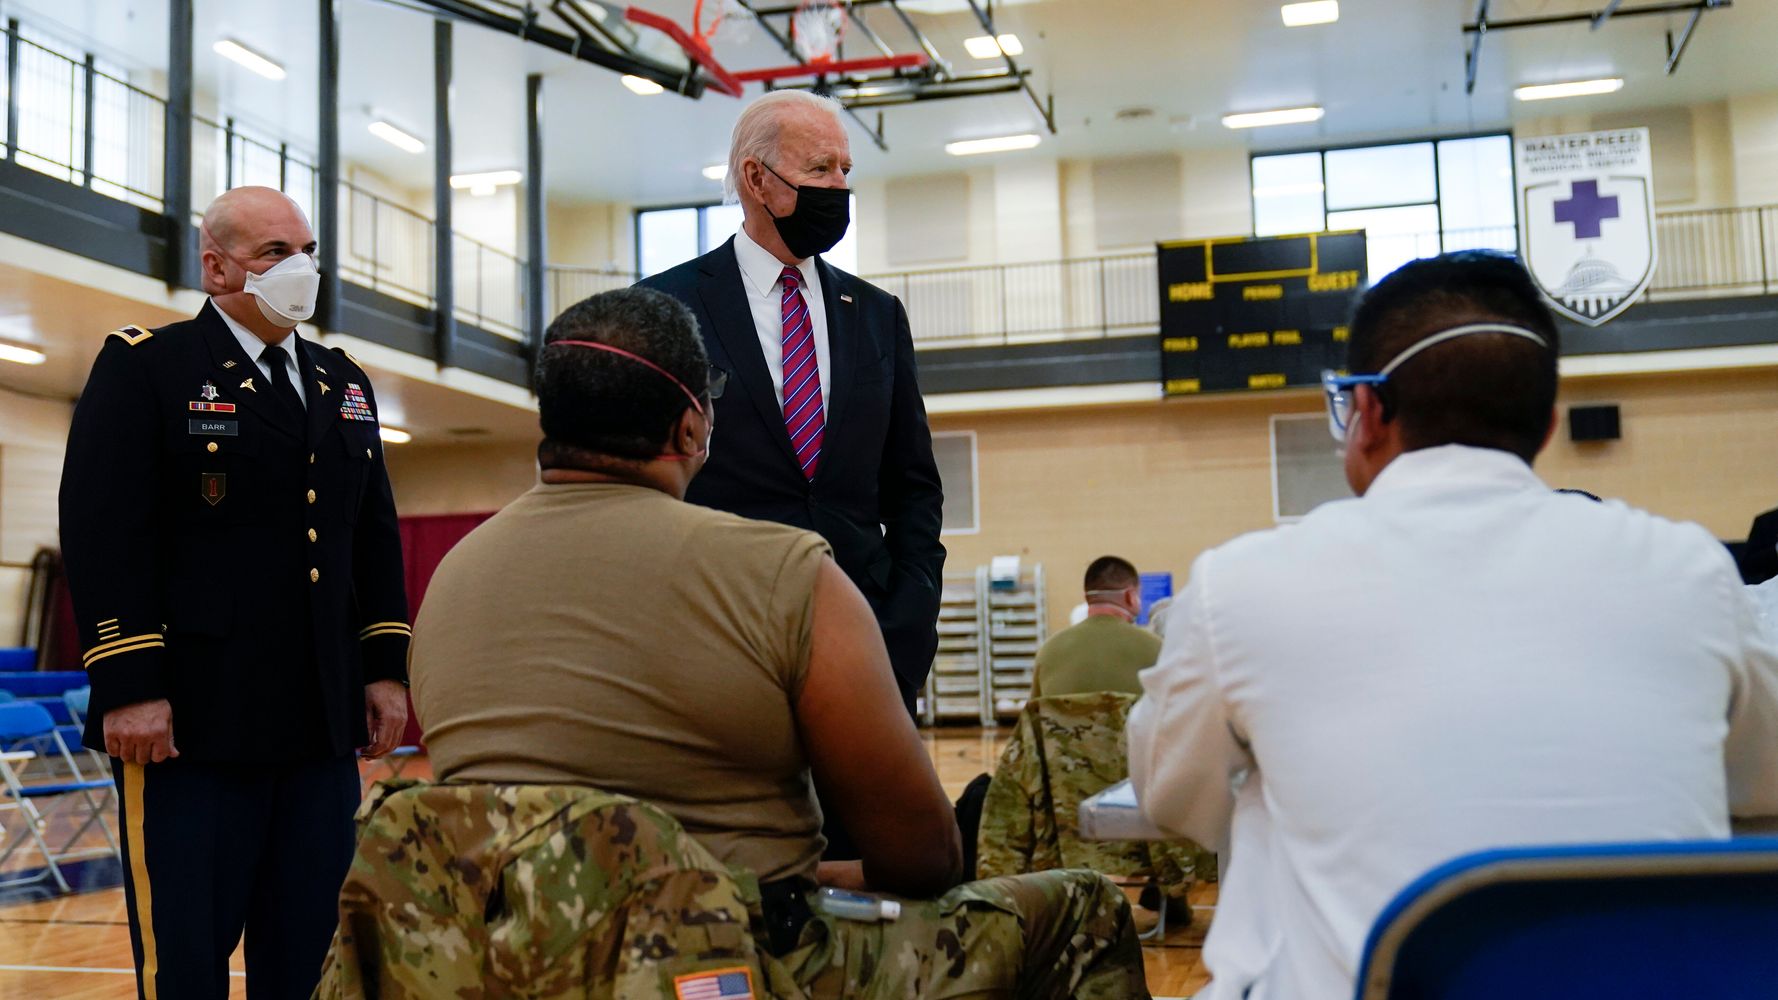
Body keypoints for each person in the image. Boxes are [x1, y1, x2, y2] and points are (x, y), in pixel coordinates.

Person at [409, 288, 1147, 999]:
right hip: (732, 962)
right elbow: (923, 856)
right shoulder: (783, 571)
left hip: (499, 964)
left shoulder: (449, 581)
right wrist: (813, 878)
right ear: (691, 428)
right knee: (1084, 909)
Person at [1126, 251, 1778, 1000]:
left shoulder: (1242, 586)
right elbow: (1763, 778)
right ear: (1547, 424)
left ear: (1366, 412)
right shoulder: (1692, 573)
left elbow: (1171, 796)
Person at [58, 186, 411, 999]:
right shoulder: (149, 365)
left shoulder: (340, 379)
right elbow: (104, 531)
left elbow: (373, 536)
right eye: (274, 254)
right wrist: (130, 687)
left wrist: (383, 668)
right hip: (192, 728)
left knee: (308, 960)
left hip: (319, 727)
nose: (301, 269)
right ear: (216, 268)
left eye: (308, 251)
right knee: (188, 962)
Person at [636, 91, 945, 721]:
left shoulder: (879, 316)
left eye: (845, 172)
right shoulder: (663, 309)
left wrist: (908, 628)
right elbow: (640, 495)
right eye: (821, 169)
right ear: (756, 178)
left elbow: (914, 488)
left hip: (868, 650)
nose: (839, 187)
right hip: (719, 654)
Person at [1031, 556, 1162, 699]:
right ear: (1130, 596)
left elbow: (1034, 715)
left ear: (1086, 597)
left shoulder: (1048, 651)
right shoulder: (1157, 649)